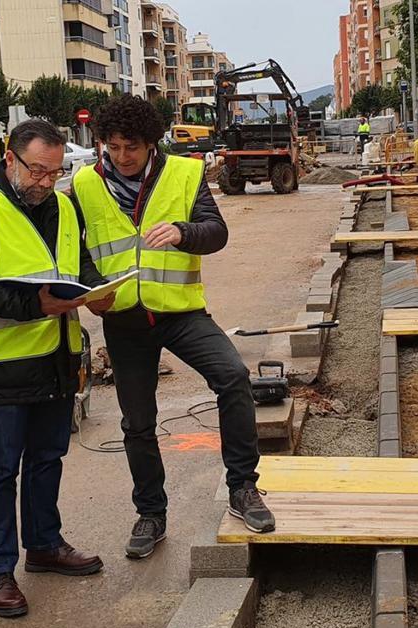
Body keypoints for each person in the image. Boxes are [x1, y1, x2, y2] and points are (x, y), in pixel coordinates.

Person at [71, 94, 274, 559]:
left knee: (234, 378)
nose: (122, 157)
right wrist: (92, 289)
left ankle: (243, 488)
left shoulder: (183, 173)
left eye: (132, 148)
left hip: (180, 312)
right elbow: (76, 249)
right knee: (137, 422)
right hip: (123, 319)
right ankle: (151, 513)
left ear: (151, 144)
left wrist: (185, 232)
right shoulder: (83, 183)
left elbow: (216, 232)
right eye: (114, 147)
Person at [0, 119, 109, 619]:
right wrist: (34, 308)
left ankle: (43, 545)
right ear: (10, 159)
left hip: (56, 359)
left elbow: (75, 263)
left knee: (47, 458)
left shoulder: (61, 206)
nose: (45, 182)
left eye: (54, 173)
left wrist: (99, 289)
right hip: (4, 367)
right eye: (37, 171)